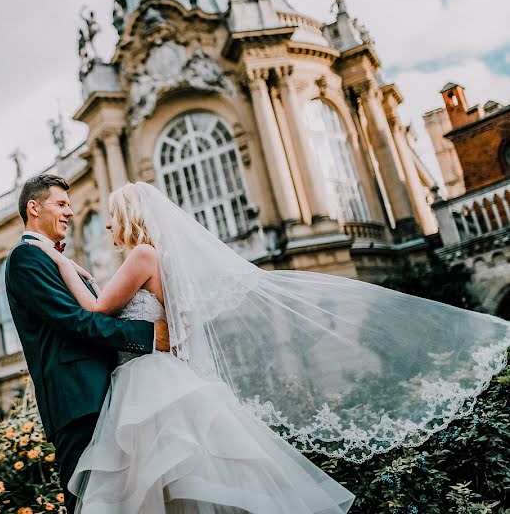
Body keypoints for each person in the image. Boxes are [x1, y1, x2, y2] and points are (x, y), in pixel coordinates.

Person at [26, 181, 510, 513]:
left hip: (146, 381)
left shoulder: (142, 255)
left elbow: (92, 312)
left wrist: (65, 266)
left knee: (154, 486)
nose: (106, 226)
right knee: (182, 482)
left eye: (110, 217)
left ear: (129, 216)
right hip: (162, 373)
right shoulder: (163, 259)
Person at [4, 174, 171, 512]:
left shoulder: (56, 260)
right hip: (78, 402)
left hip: (105, 396)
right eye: (61, 204)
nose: (70, 212)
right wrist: (149, 335)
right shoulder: (26, 258)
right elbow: (74, 321)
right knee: (90, 504)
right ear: (34, 207)